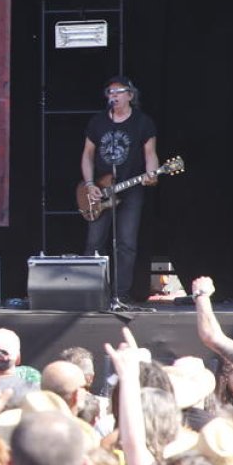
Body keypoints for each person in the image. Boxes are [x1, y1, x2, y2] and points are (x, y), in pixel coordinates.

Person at [81, 76, 158, 304]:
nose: (113, 95)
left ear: (130, 96)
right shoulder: (97, 122)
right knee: (94, 243)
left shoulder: (143, 122)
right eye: (110, 92)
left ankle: (120, 293)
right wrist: (89, 184)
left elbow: (150, 154)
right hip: (100, 190)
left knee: (126, 243)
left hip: (130, 187)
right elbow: (87, 155)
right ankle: (91, 293)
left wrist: (152, 173)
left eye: (118, 91)